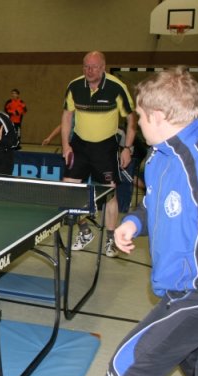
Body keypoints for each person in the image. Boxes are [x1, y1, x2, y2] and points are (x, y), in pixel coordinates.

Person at [102, 66, 198, 376]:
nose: (137, 122)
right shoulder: (160, 157)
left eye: (140, 116)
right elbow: (156, 205)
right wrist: (134, 222)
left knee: (126, 373)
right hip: (181, 289)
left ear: (158, 116)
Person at [61, 50, 137, 257]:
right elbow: (67, 116)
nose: (90, 70)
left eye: (94, 67)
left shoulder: (116, 87)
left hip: (105, 147)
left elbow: (131, 119)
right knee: (69, 190)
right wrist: (66, 145)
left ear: (103, 68)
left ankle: (111, 239)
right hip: (79, 145)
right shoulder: (74, 86)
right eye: (86, 66)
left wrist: (127, 148)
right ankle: (85, 231)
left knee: (109, 194)